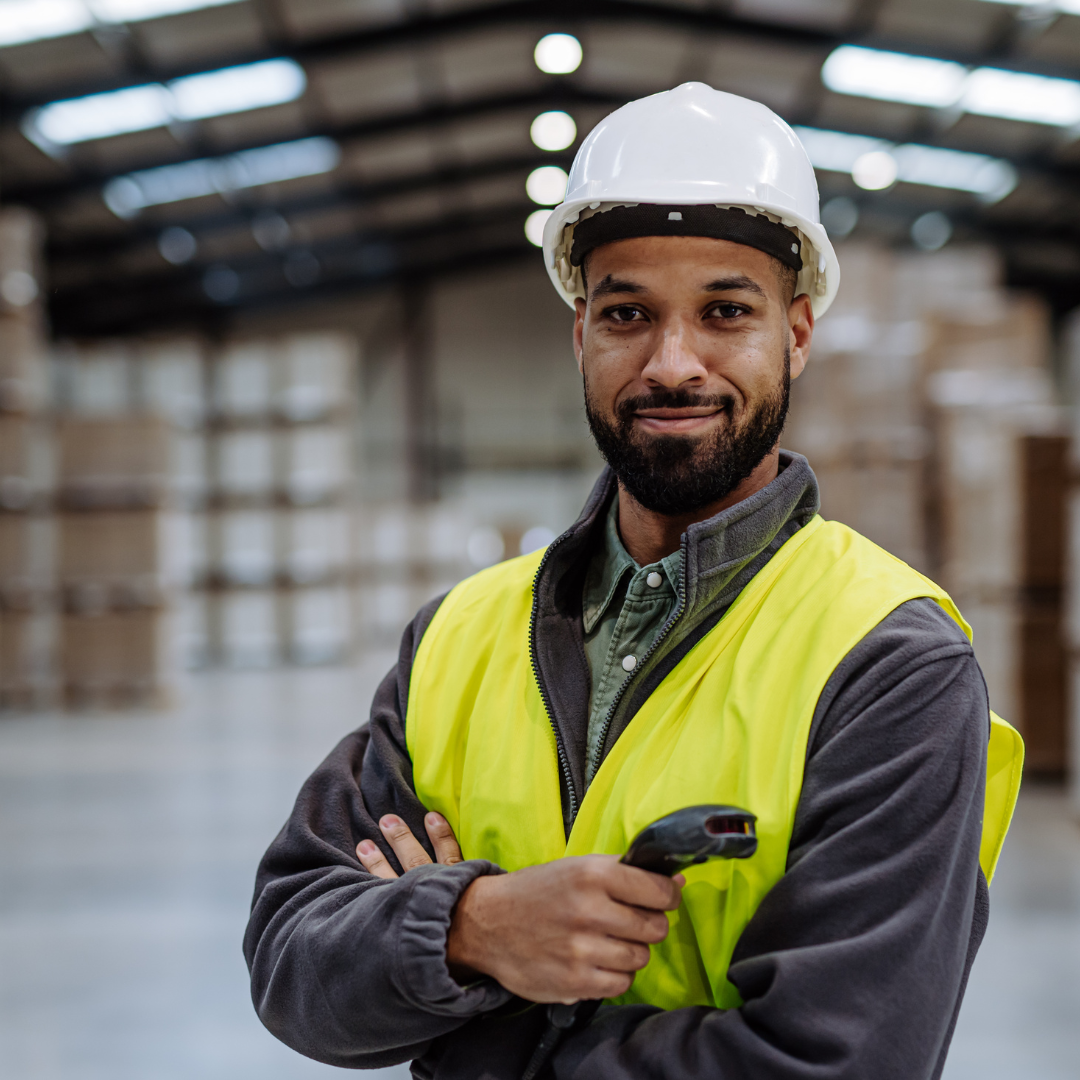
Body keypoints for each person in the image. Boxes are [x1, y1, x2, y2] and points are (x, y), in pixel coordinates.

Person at [244, 83, 1023, 1080]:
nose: (671, 363)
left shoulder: (888, 658)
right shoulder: (459, 635)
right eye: (627, 314)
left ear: (796, 335)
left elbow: (835, 1061)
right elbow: (288, 965)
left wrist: (480, 1035)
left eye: (725, 313)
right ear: (581, 337)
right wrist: (471, 929)